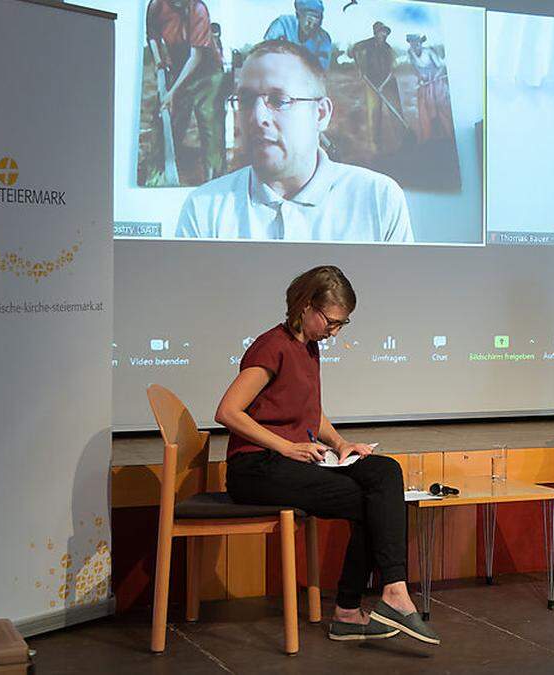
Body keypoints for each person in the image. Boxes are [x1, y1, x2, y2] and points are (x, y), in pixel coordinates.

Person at [216, 265, 439, 644]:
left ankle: (390, 591)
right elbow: (227, 411)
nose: (335, 331)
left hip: (286, 461)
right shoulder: (272, 346)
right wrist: (286, 446)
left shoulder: (310, 347)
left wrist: (339, 444)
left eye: (342, 324)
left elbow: (308, 410)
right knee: (374, 502)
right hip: (255, 467)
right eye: (332, 321)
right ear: (305, 306)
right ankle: (355, 608)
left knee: (383, 473)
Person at [176, 40, 413, 242]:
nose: (257, 118)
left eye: (279, 100)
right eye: (246, 99)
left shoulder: (378, 200)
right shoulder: (204, 208)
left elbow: (401, 297)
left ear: (320, 114)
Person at [145, 0, 227, 184]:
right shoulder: (156, 5)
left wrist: (172, 92)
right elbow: (152, 36)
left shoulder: (198, 9)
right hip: (177, 67)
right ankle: (156, 179)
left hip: (207, 74)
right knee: (165, 120)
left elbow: (196, 57)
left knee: (211, 127)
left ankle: (216, 182)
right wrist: (159, 62)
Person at [351, 21, 405, 154]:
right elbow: (353, 49)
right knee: (374, 113)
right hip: (372, 83)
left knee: (396, 111)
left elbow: (392, 69)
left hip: (388, 83)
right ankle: (375, 145)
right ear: (376, 32)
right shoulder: (366, 44)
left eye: (385, 32)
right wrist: (360, 68)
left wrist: (384, 85)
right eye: (381, 31)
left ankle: (403, 140)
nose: (384, 34)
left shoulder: (388, 48)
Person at [406, 34, 453, 142]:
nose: (415, 45)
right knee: (424, 109)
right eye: (413, 43)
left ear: (421, 43)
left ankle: (448, 135)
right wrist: (421, 78)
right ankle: (428, 138)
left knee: (441, 109)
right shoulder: (410, 53)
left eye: (417, 42)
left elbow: (441, 67)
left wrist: (435, 77)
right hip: (424, 84)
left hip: (436, 82)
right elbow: (415, 68)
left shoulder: (429, 52)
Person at [264, 0, 334, 72]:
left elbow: (321, 70)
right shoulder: (283, 24)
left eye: (316, 24)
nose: (312, 27)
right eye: (309, 22)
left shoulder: (323, 38)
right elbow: (266, 51)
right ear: (298, 15)